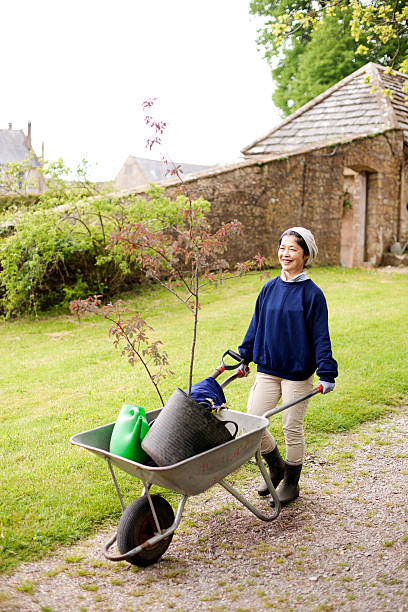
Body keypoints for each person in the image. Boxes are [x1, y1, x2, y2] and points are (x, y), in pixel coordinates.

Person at [238, 227, 338, 506]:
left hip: (297, 374)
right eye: (282, 248)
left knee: (291, 427)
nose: (285, 254)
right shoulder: (269, 288)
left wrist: (326, 371)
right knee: (252, 423)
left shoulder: (312, 295)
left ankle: (291, 484)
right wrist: (244, 356)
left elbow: (320, 336)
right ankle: (276, 465)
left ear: (305, 255)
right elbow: (255, 325)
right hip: (268, 369)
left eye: (292, 249)